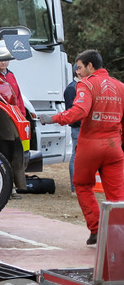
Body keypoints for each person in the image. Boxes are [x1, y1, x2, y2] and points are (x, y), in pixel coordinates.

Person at [40, 50, 124, 245]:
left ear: (90, 66)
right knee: (117, 195)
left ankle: (96, 228)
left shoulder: (86, 84)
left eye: (79, 67)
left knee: (82, 184)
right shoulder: (120, 86)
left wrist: (52, 118)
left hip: (90, 144)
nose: (77, 72)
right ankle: (118, 235)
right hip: (114, 146)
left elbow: (79, 111)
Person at [63, 64, 82, 193]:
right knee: (75, 157)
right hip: (78, 128)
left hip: (83, 127)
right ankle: (74, 187)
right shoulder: (71, 89)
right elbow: (71, 111)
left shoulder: (82, 86)